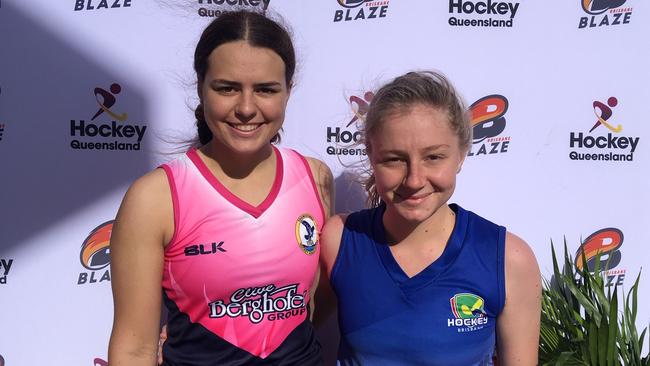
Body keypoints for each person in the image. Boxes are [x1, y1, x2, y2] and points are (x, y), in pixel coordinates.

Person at [108, 10, 332, 365]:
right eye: (227, 88)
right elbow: (133, 350)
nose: (246, 107)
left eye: (265, 89)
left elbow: (311, 307)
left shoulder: (316, 177)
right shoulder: (155, 197)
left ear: (288, 91)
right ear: (201, 88)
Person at [318, 71, 541, 365]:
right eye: (394, 159)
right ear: (371, 155)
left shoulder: (508, 259)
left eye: (433, 157)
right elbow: (285, 338)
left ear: (461, 154)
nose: (414, 180)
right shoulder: (341, 240)